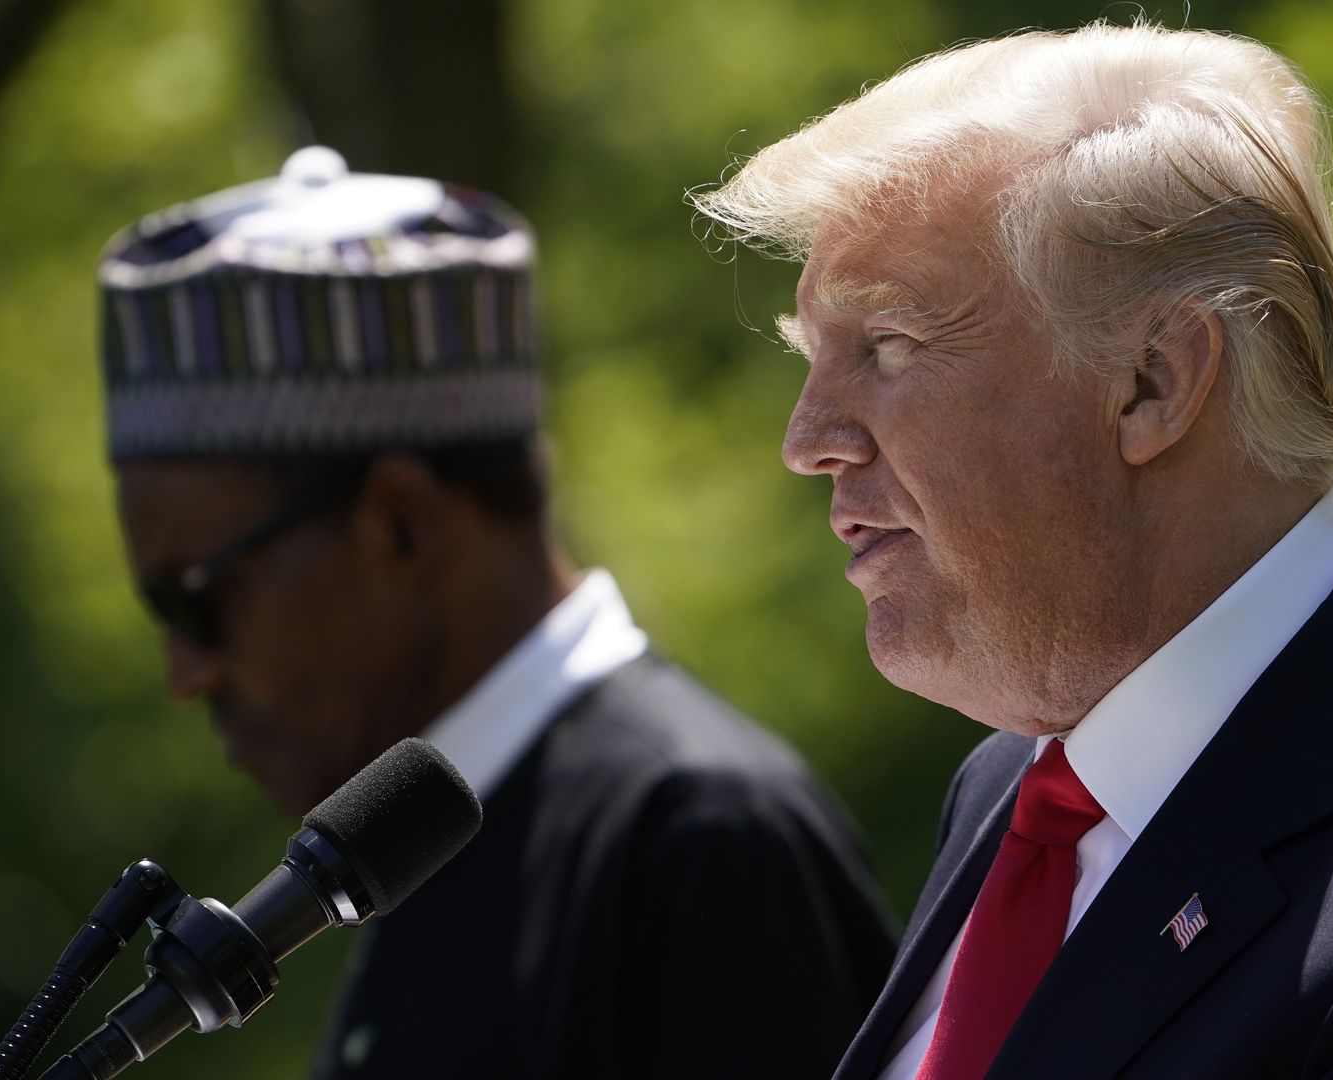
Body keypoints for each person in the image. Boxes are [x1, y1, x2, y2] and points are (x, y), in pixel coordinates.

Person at [690, 21, 1333, 1080]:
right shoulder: (1017, 783)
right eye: (815, 358)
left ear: (1155, 383)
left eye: (889, 345)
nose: (807, 441)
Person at [95, 147, 895, 1078]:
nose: (185, 675)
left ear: (400, 525)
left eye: (197, 601)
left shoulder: (700, 838)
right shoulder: (406, 849)